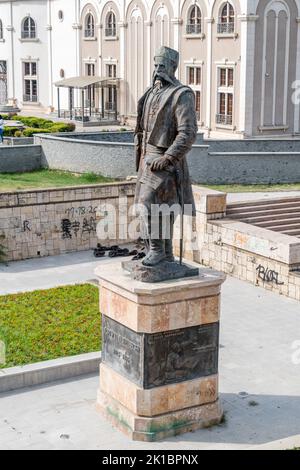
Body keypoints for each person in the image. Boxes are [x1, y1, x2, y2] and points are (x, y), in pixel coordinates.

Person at [134, 46, 198, 267]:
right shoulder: (151, 92)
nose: (157, 69)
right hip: (147, 160)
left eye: (162, 65)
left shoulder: (182, 94)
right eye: (156, 65)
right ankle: (166, 253)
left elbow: (187, 133)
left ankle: (157, 250)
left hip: (165, 162)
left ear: (172, 67)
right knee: (156, 207)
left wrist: (169, 157)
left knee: (152, 205)